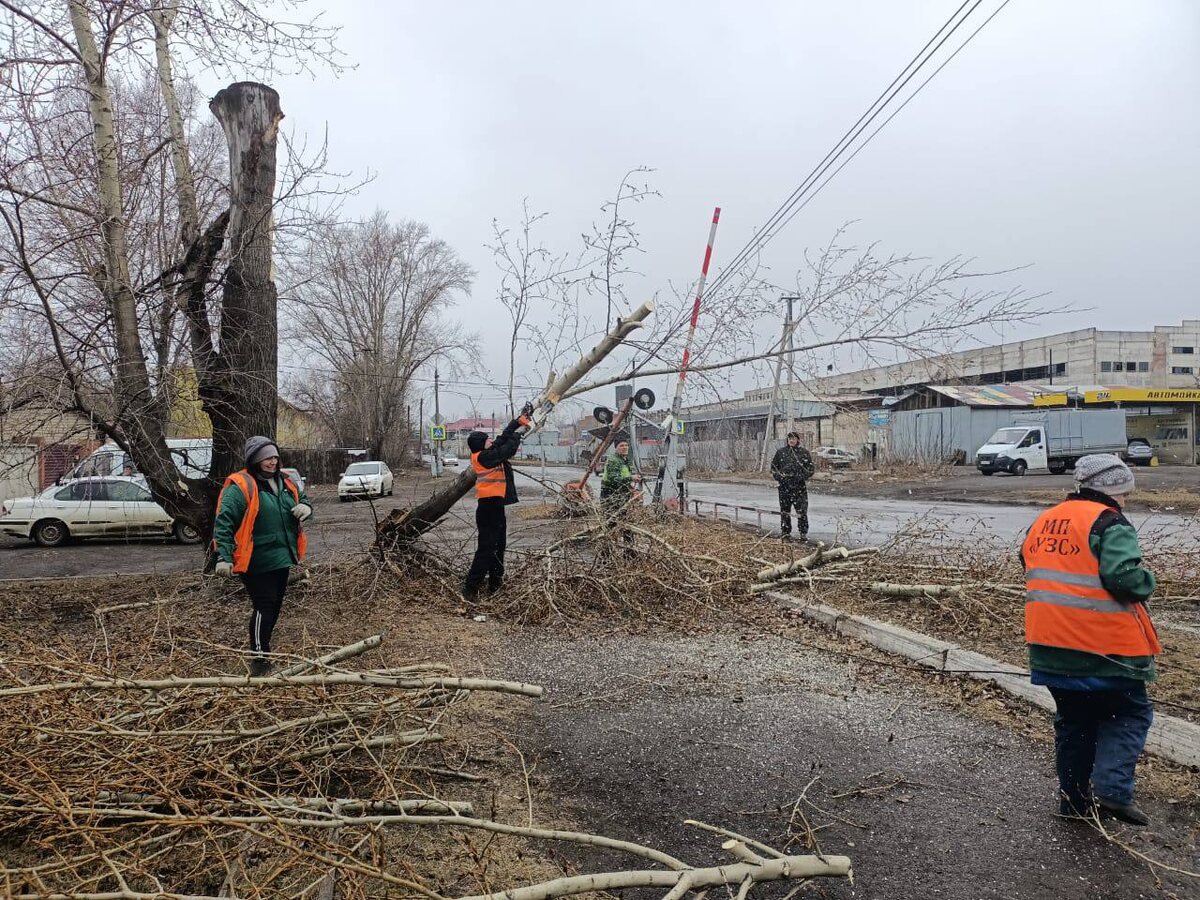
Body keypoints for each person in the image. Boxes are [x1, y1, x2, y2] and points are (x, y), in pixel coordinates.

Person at [1020, 454, 1161, 825]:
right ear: (1112, 489)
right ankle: (1113, 790)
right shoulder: (1110, 523)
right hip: (1103, 649)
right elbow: (1123, 578)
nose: (1125, 501)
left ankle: (1074, 805)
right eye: (1125, 493)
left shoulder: (1046, 519)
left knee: (1074, 723)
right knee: (1129, 712)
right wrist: (1149, 582)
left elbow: (1029, 561)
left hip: (1049, 646)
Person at [213, 436, 313, 677]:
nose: (272, 461)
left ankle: (264, 650)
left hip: (282, 556)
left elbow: (305, 500)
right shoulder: (242, 486)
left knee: (274, 607)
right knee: (264, 606)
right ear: (255, 460)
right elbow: (224, 522)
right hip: (255, 559)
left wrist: (307, 509)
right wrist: (223, 556)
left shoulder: (286, 481)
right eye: (267, 457)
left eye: (275, 457)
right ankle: (260, 660)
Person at [463, 407, 529, 600]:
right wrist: (519, 436)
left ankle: (495, 585)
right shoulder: (483, 457)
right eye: (487, 439)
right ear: (481, 444)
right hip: (488, 508)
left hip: (496, 507)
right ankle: (470, 589)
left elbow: (502, 438)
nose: (491, 441)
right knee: (486, 549)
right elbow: (506, 450)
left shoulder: (487, 451)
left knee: (499, 546)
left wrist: (517, 422)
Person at [770, 432, 815, 540]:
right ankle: (785, 532)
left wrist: (801, 477)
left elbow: (810, 469)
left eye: (794, 438)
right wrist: (780, 477)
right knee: (785, 510)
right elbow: (773, 468)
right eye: (790, 438)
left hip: (799, 487)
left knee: (802, 510)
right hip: (784, 486)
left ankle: (803, 533)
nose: (791, 440)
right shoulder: (781, 453)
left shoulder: (803, 453)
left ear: (797, 440)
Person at [600, 438, 642, 510]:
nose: (625, 447)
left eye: (626, 445)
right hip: (611, 496)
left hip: (621, 495)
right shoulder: (613, 460)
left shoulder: (624, 460)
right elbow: (614, 479)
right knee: (613, 519)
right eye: (621, 446)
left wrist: (633, 481)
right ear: (616, 448)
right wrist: (631, 478)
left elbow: (624, 476)